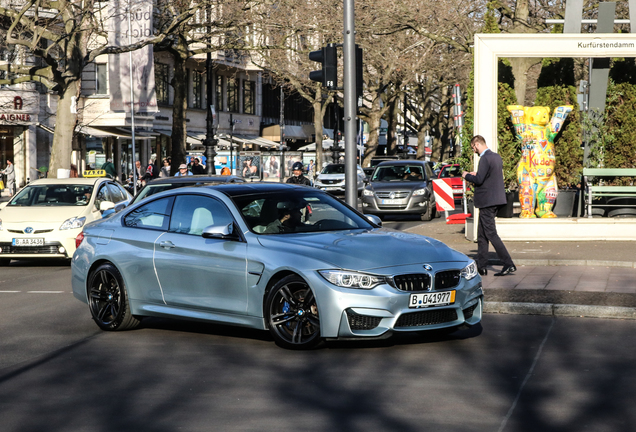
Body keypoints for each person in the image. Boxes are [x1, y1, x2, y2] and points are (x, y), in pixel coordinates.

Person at [462, 135, 516, 277]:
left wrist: (467, 175)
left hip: (487, 201)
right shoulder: (496, 157)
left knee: (491, 233)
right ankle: (481, 266)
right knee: (482, 234)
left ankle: (508, 263)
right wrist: (477, 174)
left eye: (474, 148)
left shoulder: (484, 158)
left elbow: (479, 180)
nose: (474, 151)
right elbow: (489, 177)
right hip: (495, 199)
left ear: (477, 144)